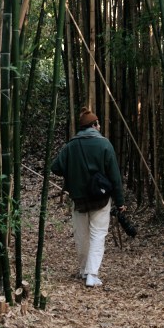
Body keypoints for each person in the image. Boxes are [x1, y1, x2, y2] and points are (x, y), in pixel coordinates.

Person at [51, 107, 125, 288]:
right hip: (101, 198)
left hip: (79, 199)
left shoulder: (71, 146)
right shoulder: (105, 144)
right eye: (98, 124)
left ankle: (84, 270)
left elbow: (55, 167)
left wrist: (72, 171)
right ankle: (92, 274)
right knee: (98, 234)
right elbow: (115, 176)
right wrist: (120, 201)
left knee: (82, 235)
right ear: (94, 125)